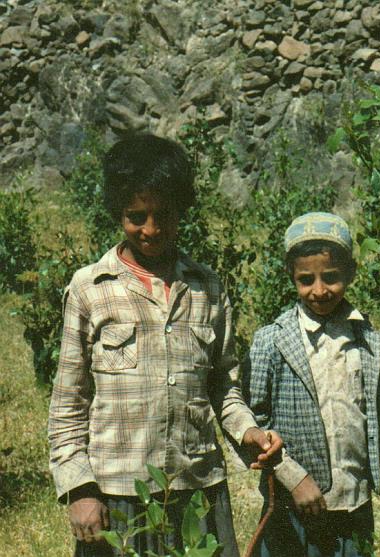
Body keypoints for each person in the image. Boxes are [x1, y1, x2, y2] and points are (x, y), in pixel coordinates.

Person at [48, 133, 282, 557]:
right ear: (117, 211)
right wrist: (79, 490)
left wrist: (248, 432)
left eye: (164, 215)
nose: (151, 230)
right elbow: (68, 404)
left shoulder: (208, 287)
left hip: (197, 491)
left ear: (181, 210)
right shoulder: (89, 289)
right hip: (117, 496)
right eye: (136, 216)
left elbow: (224, 386)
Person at [243, 212, 380, 557]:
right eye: (306, 280)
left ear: (351, 273)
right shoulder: (272, 341)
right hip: (297, 506)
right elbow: (255, 424)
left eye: (331, 277)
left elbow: (374, 398)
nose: (319, 290)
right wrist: (292, 477)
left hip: (354, 500)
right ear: (291, 276)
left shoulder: (362, 334)